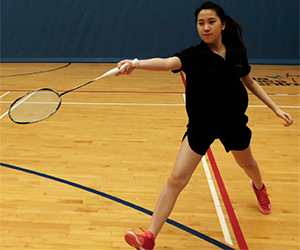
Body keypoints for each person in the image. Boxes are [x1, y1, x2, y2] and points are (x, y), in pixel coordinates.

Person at [116, 1, 293, 249]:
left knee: (249, 164)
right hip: (202, 125)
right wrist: (135, 63)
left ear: (222, 24)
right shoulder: (193, 56)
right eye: (201, 23)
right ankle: (150, 236)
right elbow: (167, 62)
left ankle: (259, 187)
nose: (206, 28)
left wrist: (275, 108)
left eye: (211, 22)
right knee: (177, 178)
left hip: (233, 123)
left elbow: (250, 82)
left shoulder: (236, 53)